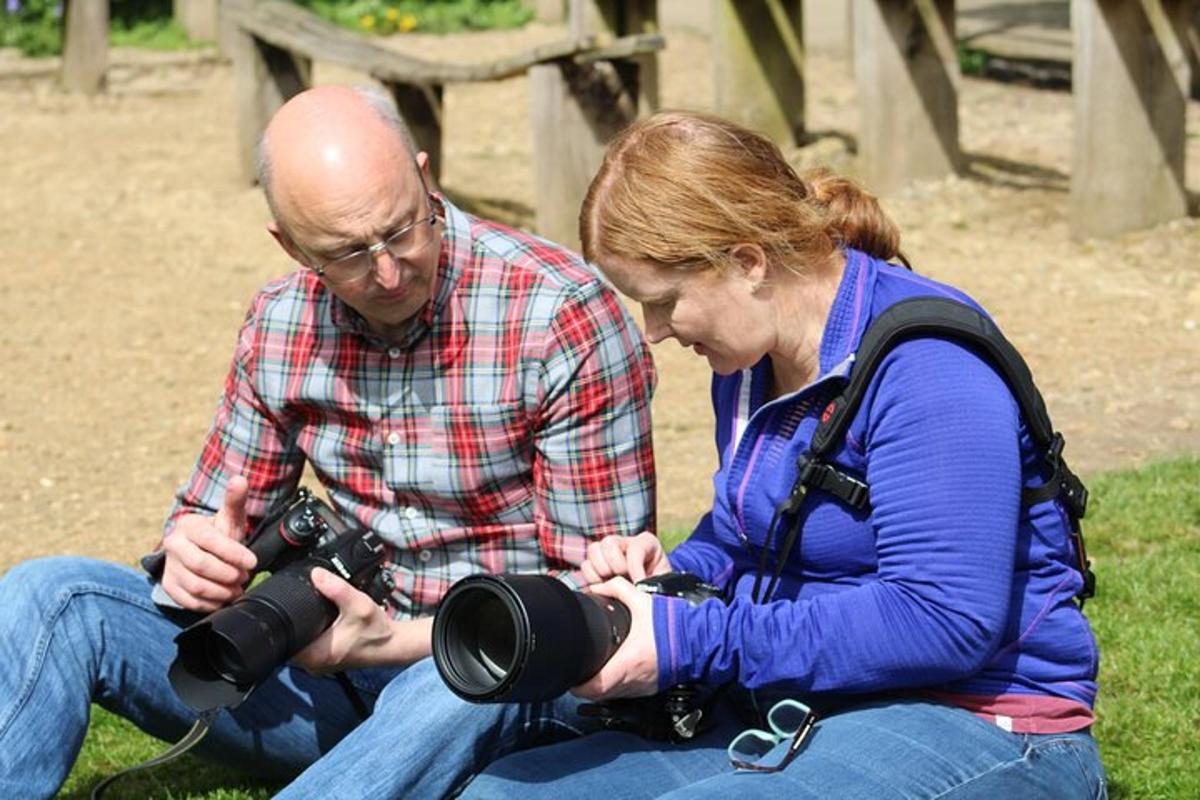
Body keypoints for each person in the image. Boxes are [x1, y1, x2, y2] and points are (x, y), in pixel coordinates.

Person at [0, 85, 656, 799]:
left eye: (404, 229)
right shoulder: (282, 325)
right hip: (331, 671)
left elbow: (600, 606)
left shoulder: (560, 314)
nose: (387, 270)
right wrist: (192, 558)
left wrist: (409, 642)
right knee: (52, 596)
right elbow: (210, 521)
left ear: (425, 176)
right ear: (289, 244)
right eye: (346, 254)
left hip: (500, 676)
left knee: (458, 680)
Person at [459, 110, 1106, 799]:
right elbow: (756, 535)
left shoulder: (928, 371)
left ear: (747, 261)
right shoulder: (750, 361)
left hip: (980, 719)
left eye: (664, 301)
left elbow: (943, 619)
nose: (653, 332)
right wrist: (677, 573)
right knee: (505, 792)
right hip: (807, 707)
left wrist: (691, 640)